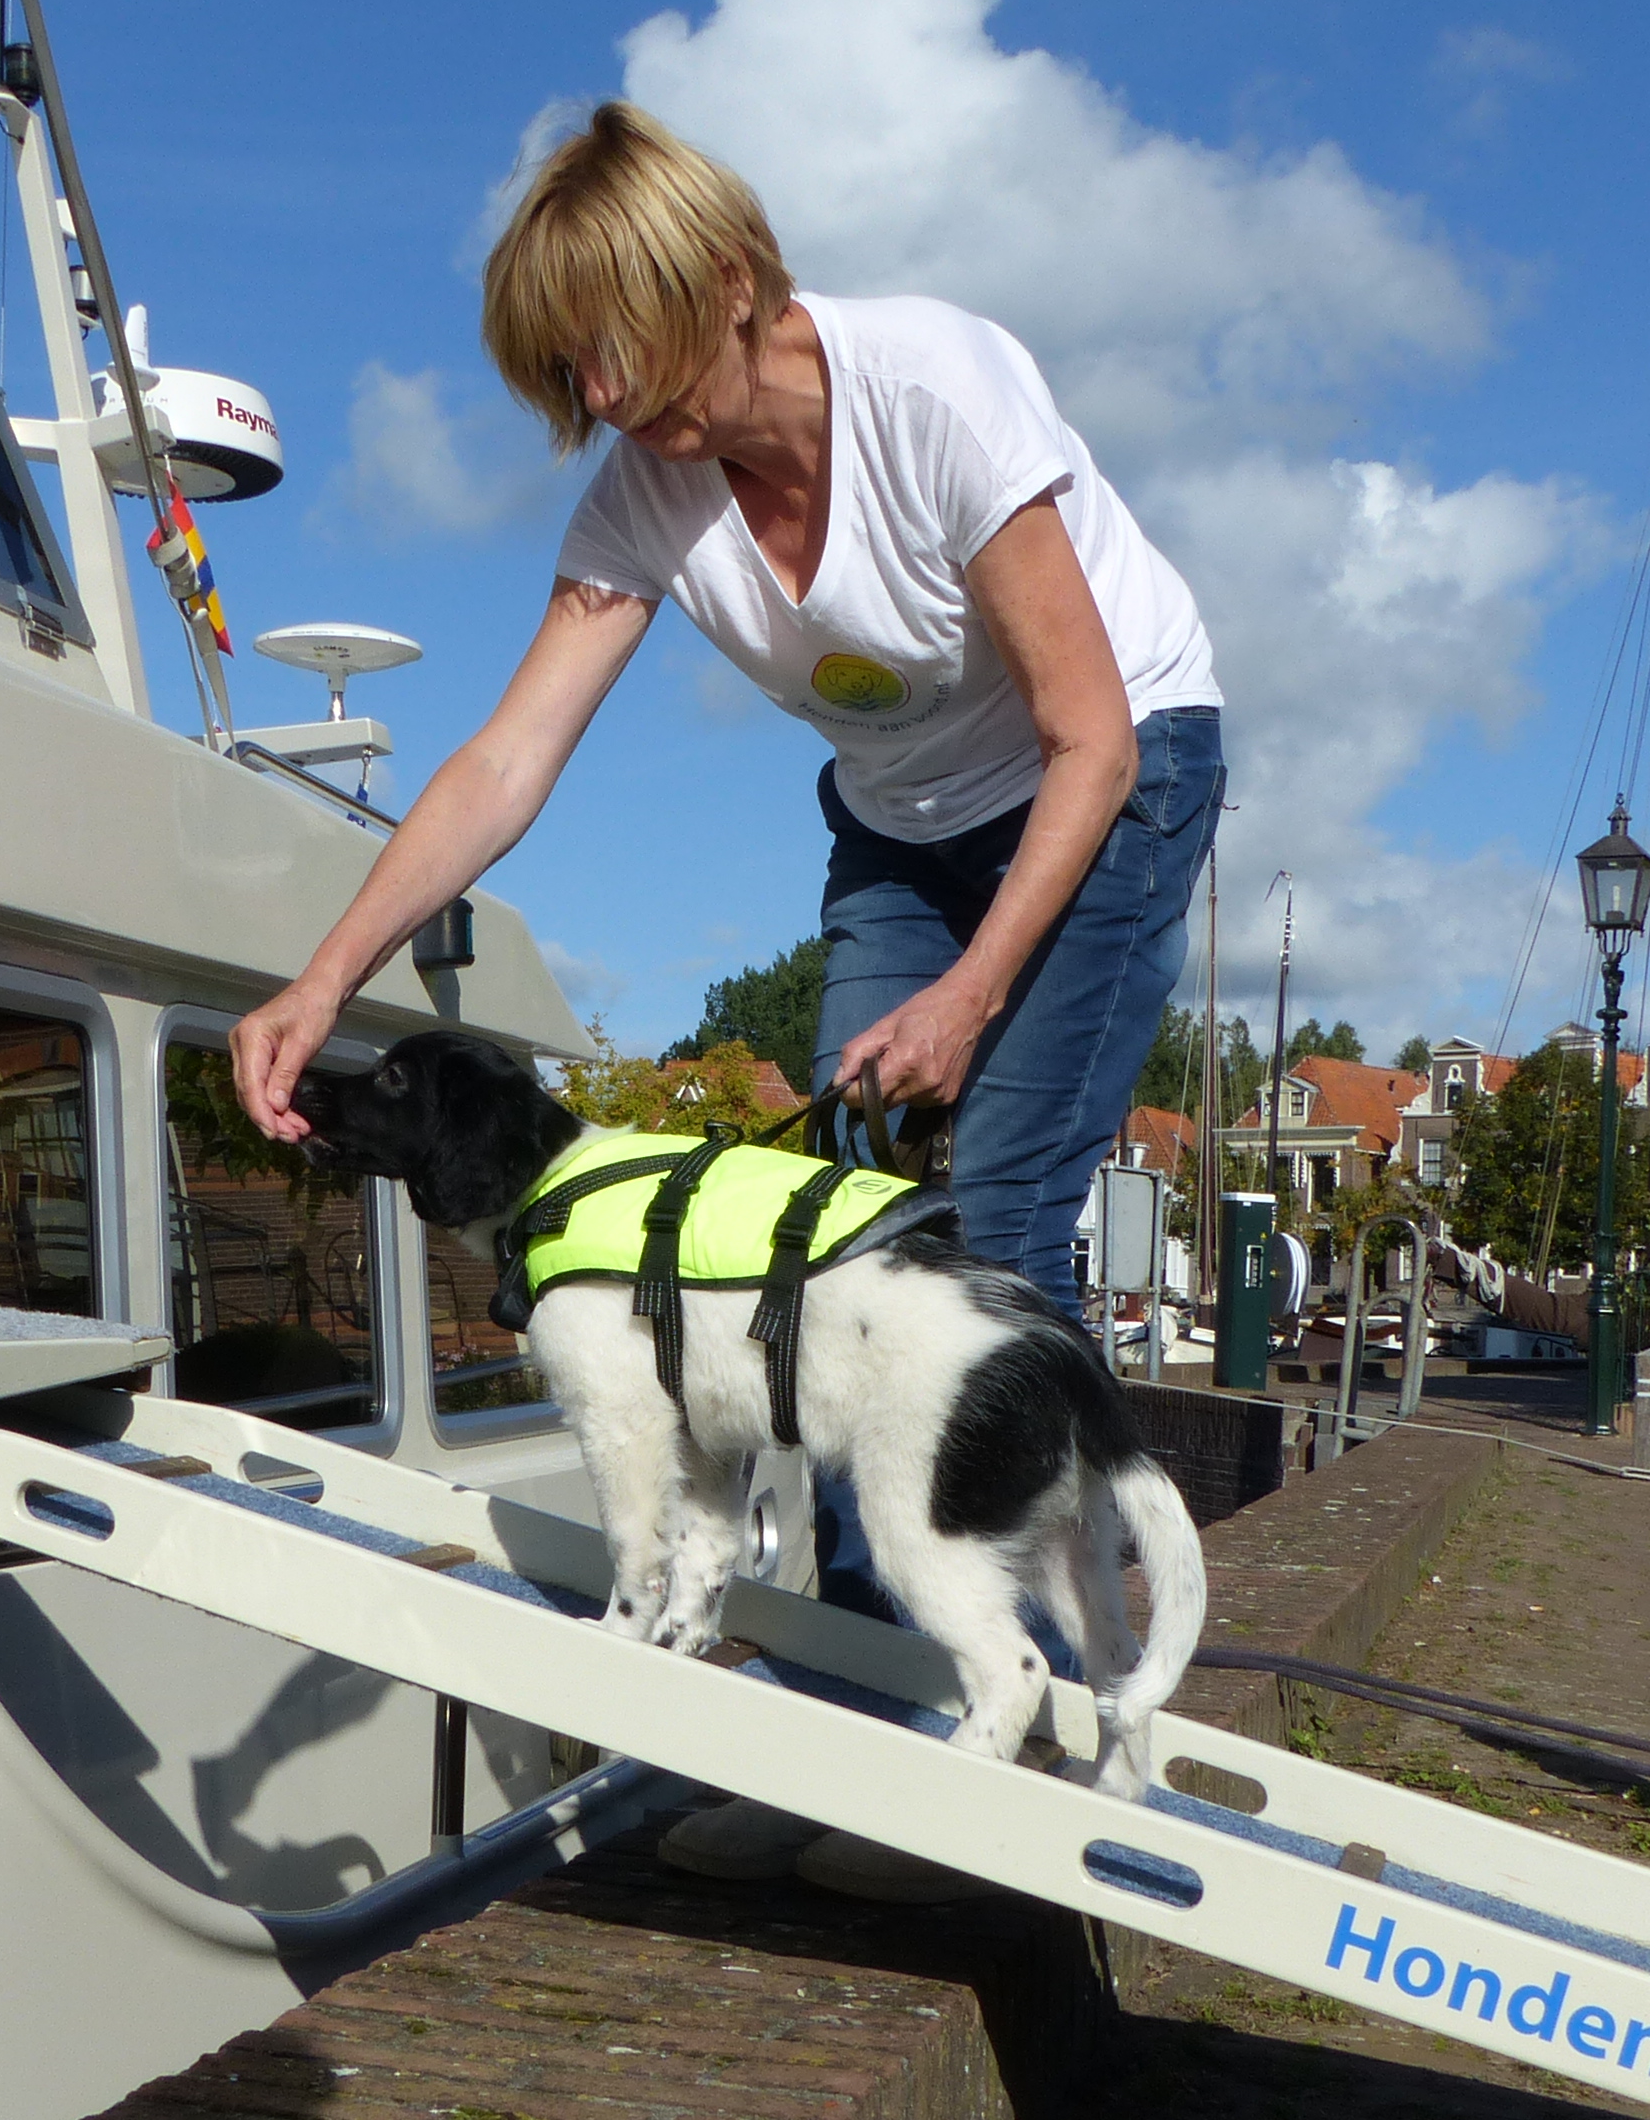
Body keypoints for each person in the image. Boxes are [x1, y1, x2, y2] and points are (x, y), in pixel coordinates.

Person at [231, 100, 1221, 1319]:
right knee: (850, 1220)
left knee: (996, 1231)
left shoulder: (933, 392)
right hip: (902, 823)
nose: (598, 395)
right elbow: (503, 763)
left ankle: (1084, 1518)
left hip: (1112, 775)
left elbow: (1092, 738)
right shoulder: (638, 501)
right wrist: (323, 982)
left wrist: (970, 994)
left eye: (615, 346)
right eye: (566, 370)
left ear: (726, 280)